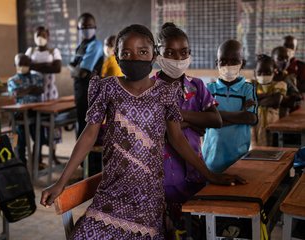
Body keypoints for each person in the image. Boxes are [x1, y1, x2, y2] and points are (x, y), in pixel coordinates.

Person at [41, 24, 245, 239]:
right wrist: (61, 182)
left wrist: (210, 175)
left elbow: (177, 139)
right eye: (126, 53)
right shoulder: (107, 87)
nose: (135, 58)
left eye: (142, 52)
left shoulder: (165, 92)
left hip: (149, 198)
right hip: (111, 194)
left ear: (153, 55)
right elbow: (89, 135)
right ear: (117, 57)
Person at [152, 22, 222, 237]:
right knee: (166, 230)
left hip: (195, 172)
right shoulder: (148, 89)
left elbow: (216, 120)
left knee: (195, 229)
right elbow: (157, 130)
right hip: (162, 179)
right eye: (170, 53)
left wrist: (181, 118)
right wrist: (196, 121)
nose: (177, 59)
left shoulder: (197, 86)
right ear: (157, 54)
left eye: (183, 53)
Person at [202, 39, 258, 173]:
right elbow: (204, 119)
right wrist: (241, 113)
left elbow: (251, 118)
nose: (228, 65)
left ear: (242, 63)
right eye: (223, 61)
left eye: (234, 61)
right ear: (217, 63)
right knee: (210, 190)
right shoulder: (209, 89)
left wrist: (216, 116)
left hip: (239, 155)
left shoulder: (248, 89)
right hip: (211, 157)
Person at [69, 12, 104, 176]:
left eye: (90, 26)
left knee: (90, 130)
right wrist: (76, 70)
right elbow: (76, 71)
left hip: (90, 94)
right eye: (83, 27)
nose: (87, 29)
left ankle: (93, 170)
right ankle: (85, 166)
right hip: (80, 93)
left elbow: (82, 72)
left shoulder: (96, 45)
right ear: (78, 28)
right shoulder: (80, 45)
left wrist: (75, 69)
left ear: (95, 27)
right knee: (81, 127)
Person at [25, 25, 63, 166]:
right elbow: (26, 66)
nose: (40, 38)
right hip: (35, 95)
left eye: (43, 35)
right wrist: (47, 66)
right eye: (37, 35)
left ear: (48, 36)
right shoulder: (31, 51)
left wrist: (35, 66)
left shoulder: (54, 51)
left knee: (53, 125)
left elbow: (57, 68)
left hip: (51, 93)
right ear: (34, 37)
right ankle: (38, 157)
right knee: (37, 125)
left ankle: (53, 155)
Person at [7, 53, 44, 165]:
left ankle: (37, 161)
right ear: (15, 64)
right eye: (20, 64)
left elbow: (40, 90)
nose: (23, 65)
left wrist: (24, 90)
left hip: (36, 112)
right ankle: (21, 163)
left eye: (26, 63)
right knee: (20, 140)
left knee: (39, 138)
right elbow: (16, 93)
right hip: (20, 114)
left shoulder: (37, 76)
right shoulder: (12, 80)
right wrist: (32, 88)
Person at [251, 54, 287, 146]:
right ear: (255, 73)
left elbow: (275, 101)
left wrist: (256, 101)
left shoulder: (280, 84)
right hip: (254, 126)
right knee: (255, 151)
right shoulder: (251, 84)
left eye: (267, 72)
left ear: (274, 72)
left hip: (273, 124)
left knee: (272, 149)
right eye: (259, 73)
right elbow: (248, 99)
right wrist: (270, 94)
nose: (263, 75)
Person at [271, 46, 302, 118]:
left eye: (287, 59)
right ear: (272, 60)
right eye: (280, 58)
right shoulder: (267, 76)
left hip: (282, 116)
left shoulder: (289, 78)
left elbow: (296, 98)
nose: (284, 61)